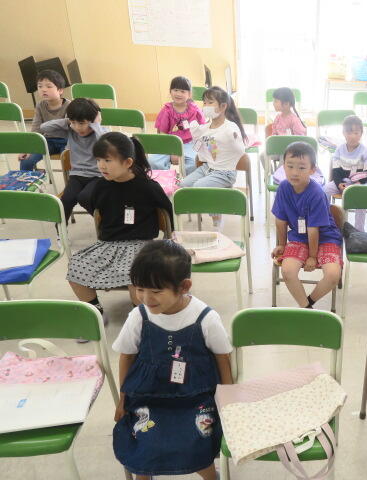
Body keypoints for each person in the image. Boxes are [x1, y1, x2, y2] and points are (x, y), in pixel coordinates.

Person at [112, 240, 232, 480]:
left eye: (156, 291)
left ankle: (210, 475)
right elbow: (126, 356)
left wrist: (228, 400)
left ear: (184, 286)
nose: (146, 298)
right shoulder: (138, 316)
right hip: (149, 396)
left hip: (195, 398)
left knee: (196, 442)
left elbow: (223, 358)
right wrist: (122, 399)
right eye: (140, 289)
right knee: (144, 443)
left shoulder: (205, 318)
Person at [66, 132, 173, 315]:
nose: (101, 165)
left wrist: (170, 243)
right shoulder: (100, 186)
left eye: (107, 160)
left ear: (128, 162)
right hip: (108, 244)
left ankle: (140, 317)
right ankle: (95, 311)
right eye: (98, 160)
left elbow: (167, 214)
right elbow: (89, 204)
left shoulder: (148, 187)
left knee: (135, 275)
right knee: (75, 268)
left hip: (141, 245)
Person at [271, 141, 342, 309]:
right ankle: (306, 309)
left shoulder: (316, 193)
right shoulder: (283, 188)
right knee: (287, 271)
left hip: (326, 238)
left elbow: (313, 230)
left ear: (312, 170)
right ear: (283, 166)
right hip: (299, 238)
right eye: (290, 166)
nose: (295, 172)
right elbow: (280, 220)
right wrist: (282, 244)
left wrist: (312, 256)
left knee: (333, 275)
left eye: (302, 168)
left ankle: (309, 302)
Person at [181, 86, 246, 228]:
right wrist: (195, 133)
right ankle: (212, 201)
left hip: (225, 172)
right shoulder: (206, 127)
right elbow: (205, 149)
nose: (206, 106)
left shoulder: (230, 127)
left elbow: (240, 148)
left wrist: (233, 138)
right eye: (204, 103)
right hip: (207, 168)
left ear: (223, 106)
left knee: (199, 187)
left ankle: (216, 215)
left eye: (210, 103)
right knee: (183, 186)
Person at [37, 97, 106, 221]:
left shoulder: (100, 133)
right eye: (74, 122)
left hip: (98, 176)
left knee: (85, 197)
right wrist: (68, 121)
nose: (77, 127)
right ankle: (61, 229)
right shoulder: (71, 131)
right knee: (66, 200)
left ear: (92, 120)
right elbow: (44, 127)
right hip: (77, 175)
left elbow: (107, 144)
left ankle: (103, 222)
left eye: (81, 123)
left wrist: (96, 124)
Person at [323, 115, 367, 231]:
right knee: (324, 190)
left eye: (356, 133)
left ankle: (359, 230)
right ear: (343, 133)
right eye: (349, 133)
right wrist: (338, 184)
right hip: (342, 182)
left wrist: (359, 182)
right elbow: (336, 171)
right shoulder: (339, 149)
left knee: (362, 200)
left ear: (361, 133)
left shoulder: (365, 151)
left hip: (359, 184)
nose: (352, 136)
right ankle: (327, 221)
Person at [148, 75, 204, 175]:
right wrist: (172, 150)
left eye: (182, 91)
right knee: (153, 161)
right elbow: (162, 134)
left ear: (189, 94)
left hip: (189, 143)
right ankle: (166, 180)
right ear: (170, 91)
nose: (178, 94)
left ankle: (187, 182)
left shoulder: (194, 110)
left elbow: (203, 129)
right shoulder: (166, 110)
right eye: (176, 90)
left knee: (194, 163)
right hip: (168, 143)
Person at [19, 70, 69, 171]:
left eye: (49, 86)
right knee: (26, 161)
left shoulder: (70, 105)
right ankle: (26, 181)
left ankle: (72, 181)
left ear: (60, 90)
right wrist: (28, 149)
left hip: (67, 142)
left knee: (70, 161)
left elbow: (72, 128)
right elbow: (36, 129)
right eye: (40, 86)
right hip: (47, 141)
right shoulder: (40, 105)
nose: (43, 90)